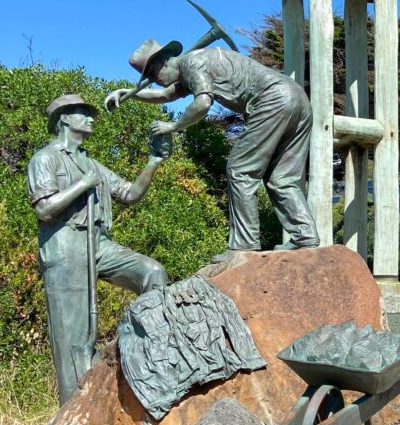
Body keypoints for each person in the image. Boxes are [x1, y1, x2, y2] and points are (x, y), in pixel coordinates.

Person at [104, 40, 320, 263]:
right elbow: (165, 96)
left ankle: (244, 245)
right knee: (281, 178)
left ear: (166, 60)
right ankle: (304, 235)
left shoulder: (192, 62)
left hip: (273, 100)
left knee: (240, 170)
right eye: (146, 74)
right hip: (297, 99)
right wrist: (128, 93)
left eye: (153, 70)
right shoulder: (191, 68)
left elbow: (203, 103)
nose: (153, 78)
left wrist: (173, 126)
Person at [28, 94, 169, 404]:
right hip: (65, 245)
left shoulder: (92, 164)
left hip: (98, 242)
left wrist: (152, 163)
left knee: (152, 272)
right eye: (84, 113)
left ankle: (145, 358)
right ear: (65, 119)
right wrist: (82, 185)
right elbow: (45, 210)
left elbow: (130, 194)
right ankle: (74, 413)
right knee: (74, 341)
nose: (92, 118)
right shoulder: (46, 158)